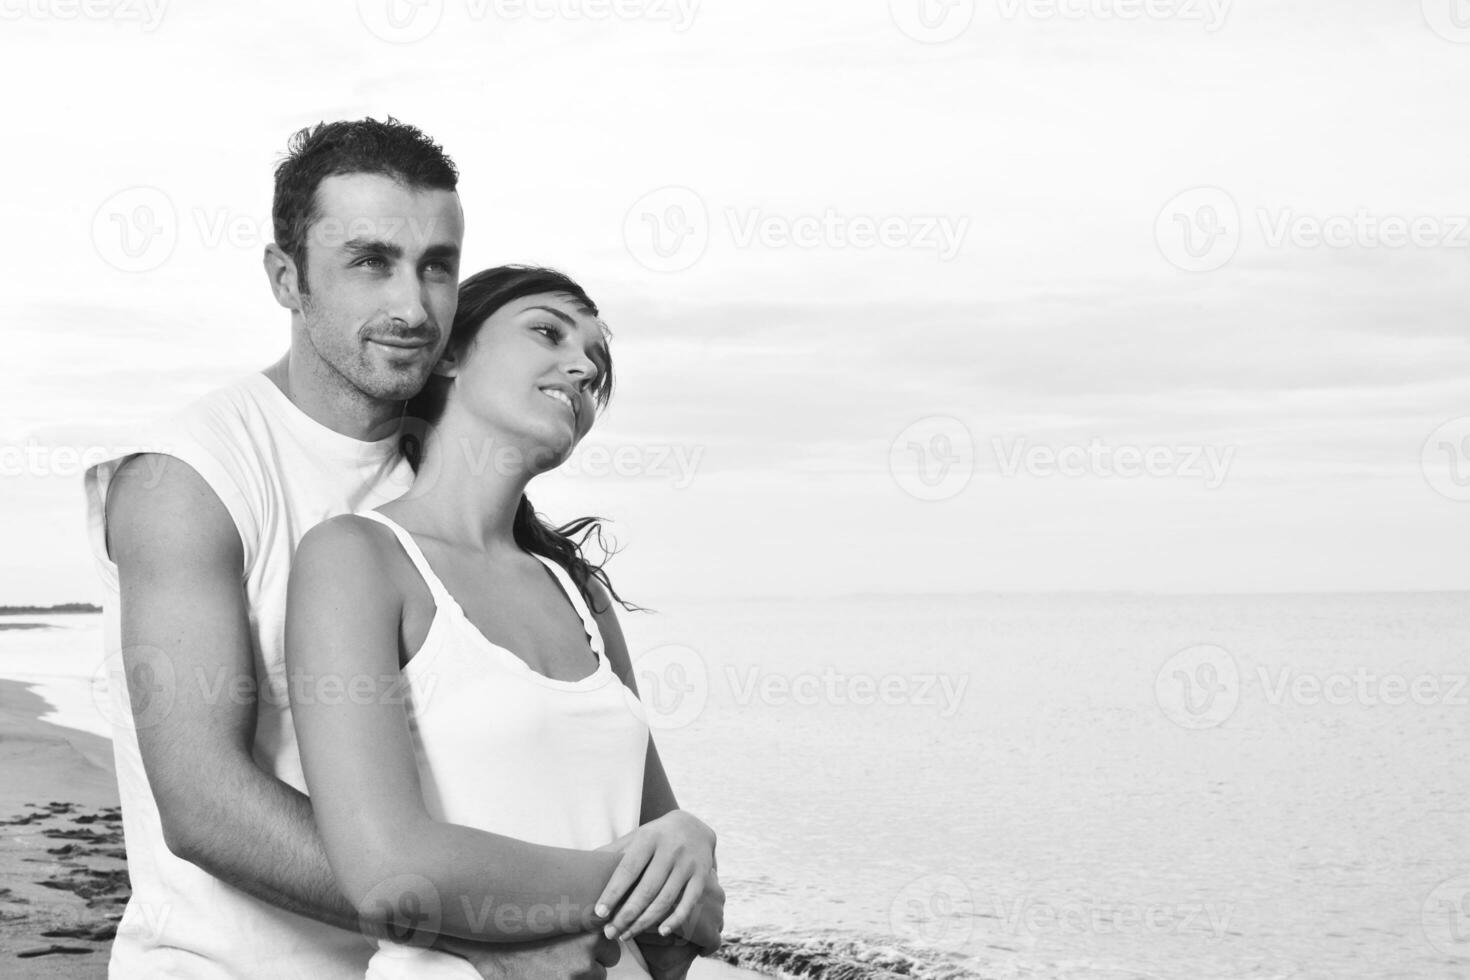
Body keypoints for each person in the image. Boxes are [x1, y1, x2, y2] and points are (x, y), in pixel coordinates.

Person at [81, 117, 722, 979]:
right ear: (286, 277)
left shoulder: (451, 491)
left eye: (437, 267)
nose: (411, 306)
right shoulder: (191, 479)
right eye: (370, 261)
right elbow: (203, 804)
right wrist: (490, 931)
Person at [285, 265, 722, 980]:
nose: (583, 368)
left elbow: (678, 902)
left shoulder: (579, 591)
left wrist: (690, 842)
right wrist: (643, 891)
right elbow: (387, 868)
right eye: (548, 332)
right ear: (450, 353)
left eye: (597, 366)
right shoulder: (357, 559)